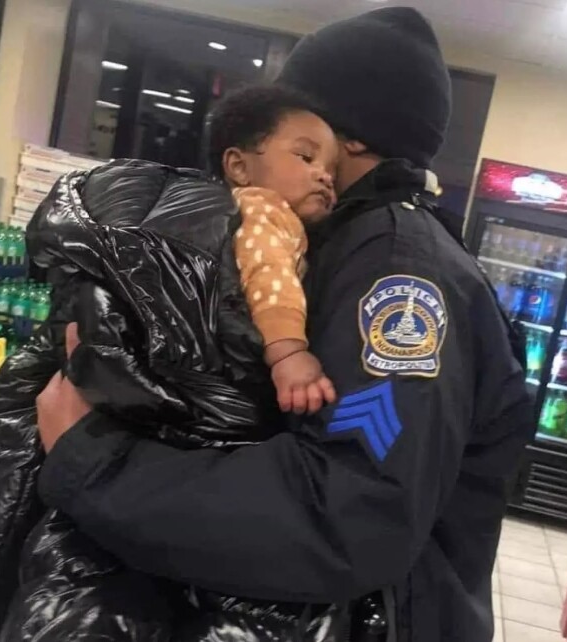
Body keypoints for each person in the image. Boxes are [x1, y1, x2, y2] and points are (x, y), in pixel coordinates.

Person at [36, 7, 534, 641]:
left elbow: (348, 509)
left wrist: (96, 461)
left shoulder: (394, 270)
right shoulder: (332, 242)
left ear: (346, 136)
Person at [211, 85, 339, 414]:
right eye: (306, 157)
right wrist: (288, 354)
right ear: (239, 167)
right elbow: (268, 272)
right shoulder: (262, 208)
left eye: (332, 171)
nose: (324, 176)